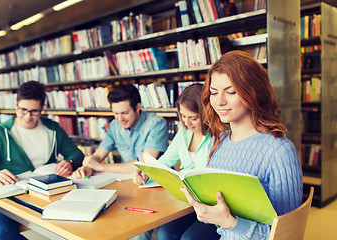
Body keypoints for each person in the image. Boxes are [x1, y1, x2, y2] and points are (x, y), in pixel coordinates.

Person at [180, 50, 303, 239]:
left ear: (253, 92)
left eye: (231, 92)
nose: (219, 101)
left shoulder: (279, 151)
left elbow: (288, 235)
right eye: (214, 92)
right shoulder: (217, 142)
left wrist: (230, 222)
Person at [0, 81, 84, 240]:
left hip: (51, 193)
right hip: (11, 196)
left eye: (34, 111)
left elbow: (76, 154)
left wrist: (70, 162)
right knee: (1, 231)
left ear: (43, 108)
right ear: (16, 104)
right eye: (23, 110)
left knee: (80, 224)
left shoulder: (52, 129)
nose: (28, 116)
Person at [133, 83, 219, 240]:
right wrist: (146, 173)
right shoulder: (184, 133)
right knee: (165, 233)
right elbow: (165, 161)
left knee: (189, 238)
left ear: (206, 113)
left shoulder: (217, 137)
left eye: (193, 118)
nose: (187, 123)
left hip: (211, 206)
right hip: (187, 203)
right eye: (183, 116)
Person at [73, 84, 168, 177]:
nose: (120, 118)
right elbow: (99, 155)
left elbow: (144, 165)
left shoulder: (157, 124)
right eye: (116, 113)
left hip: (155, 181)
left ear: (138, 107)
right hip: (126, 179)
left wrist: (100, 166)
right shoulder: (114, 125)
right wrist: (88, 166)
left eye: (124, 113)